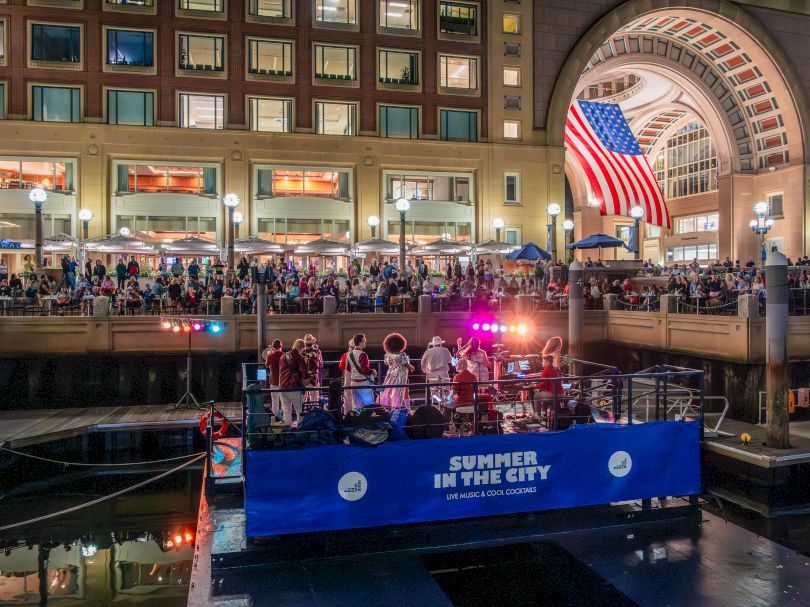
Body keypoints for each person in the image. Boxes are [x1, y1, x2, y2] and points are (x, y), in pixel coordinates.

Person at [339, 333, 376, 409]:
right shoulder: (363, 354)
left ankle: (358, 420)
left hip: (353, 383)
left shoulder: (348, 354)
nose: (366, 342)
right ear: (360, 342)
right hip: (363, 383)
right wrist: (372, 371)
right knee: (370, 406)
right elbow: (365, 370)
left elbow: (348, 369)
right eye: (364, 341)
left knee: (357, 407)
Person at [379, 332, 413, 409]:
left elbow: (386, 363)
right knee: (402, 392)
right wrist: (412, 367)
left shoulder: (387, 355)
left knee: (391, 391)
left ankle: (391, 409)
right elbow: (405, 364)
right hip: (401, 376)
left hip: (391, 375)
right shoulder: (402, 354)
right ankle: (406, 410)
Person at [277, 339, 307, 426]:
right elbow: (304, 374)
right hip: (295, 387)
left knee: (286, 411)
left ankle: (287, 431)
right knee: (299, 411)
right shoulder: (300, 358)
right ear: (302, 348)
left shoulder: (283, 356)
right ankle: (299, 432)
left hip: (282, 387)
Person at [265, 339, 284, 419]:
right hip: (283, 380)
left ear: (273, 346)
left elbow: (267, 365)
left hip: (273, 381)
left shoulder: (270, 356)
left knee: (274, 400)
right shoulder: (284, 355)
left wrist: (268, 354)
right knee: (283, 400)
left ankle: (275, 417)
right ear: (281, 346)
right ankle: (284, 417)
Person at [301, 334, 324, 403]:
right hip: (314, 378)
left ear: (305, 343)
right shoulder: (317, 351)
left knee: (303, 401)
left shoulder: (302, 352)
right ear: (313, 342)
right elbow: (320, 363)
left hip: (303, 378)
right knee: (314, 400)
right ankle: (313, 412)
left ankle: (303, 413)